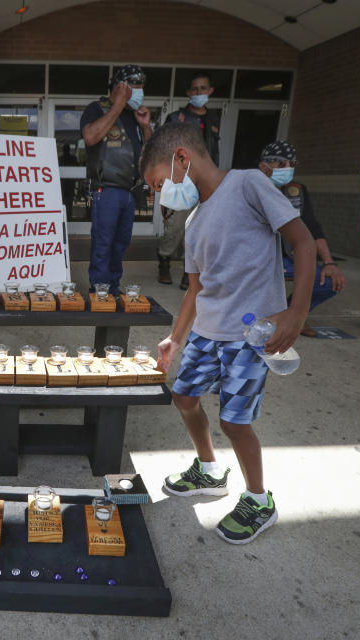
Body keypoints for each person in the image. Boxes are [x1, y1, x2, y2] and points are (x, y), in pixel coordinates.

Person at [140, 122, 316, 544]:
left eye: (160, 182)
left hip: (250, 335)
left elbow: (304, 242)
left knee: (234, 422)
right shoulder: (194, 220)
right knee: (183, 398)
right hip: (205, 331)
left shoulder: (249, 184)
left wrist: (296, 311)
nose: (161, 193)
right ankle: (209, 470)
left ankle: (259, 500)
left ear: (182, 158)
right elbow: (196, 288)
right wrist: (175, 339)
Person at [258, 140, 347, 337]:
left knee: (329, 281)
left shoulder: (297, 191)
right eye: (281, 164)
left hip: (289, 256)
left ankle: (290, 315)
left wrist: (328, 262)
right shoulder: (251, 188)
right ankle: (257, 317)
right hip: (258, 256)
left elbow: (312, 228)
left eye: (292, 164)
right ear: (264, 167)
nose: (288, 169)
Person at [80, 64, 153, 294]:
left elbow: (149, 154)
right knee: (103, 243)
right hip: (106, 189)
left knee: (120, 244)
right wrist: (118, 105)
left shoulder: (135, 117)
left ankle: (112, 286)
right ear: (120, 87)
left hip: (129, 191)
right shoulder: (96, 109)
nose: (139, 92)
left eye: (142, 88)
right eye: (135, 87)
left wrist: (146, 128)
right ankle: (100, 290)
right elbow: (91, 137)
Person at [158, 71, 221, 287]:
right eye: (195, 89)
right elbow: (163, 150)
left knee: (197, 230)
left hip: (204, 184)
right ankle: (164, 262)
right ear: (188, 93)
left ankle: (189, 271)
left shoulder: (213, 119)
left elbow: (214, 153)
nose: (199, 92)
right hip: (180, 182)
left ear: (210, 91)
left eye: (203, 88)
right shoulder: (176, 119)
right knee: (174, 227)